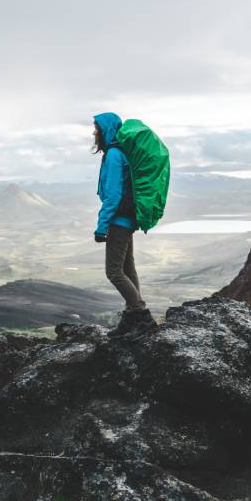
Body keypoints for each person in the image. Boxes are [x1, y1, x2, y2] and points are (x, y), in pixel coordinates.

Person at [92, 112, 158, 337]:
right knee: (127, 267)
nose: (94, 132)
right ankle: (134, 316)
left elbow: (112, 195)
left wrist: (102, 227)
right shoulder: (122, 153)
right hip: (128, 218)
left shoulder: (113, 156)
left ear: (106, 130)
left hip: (119, 220)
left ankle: (140, 315)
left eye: (96, 128)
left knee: (113, 272)